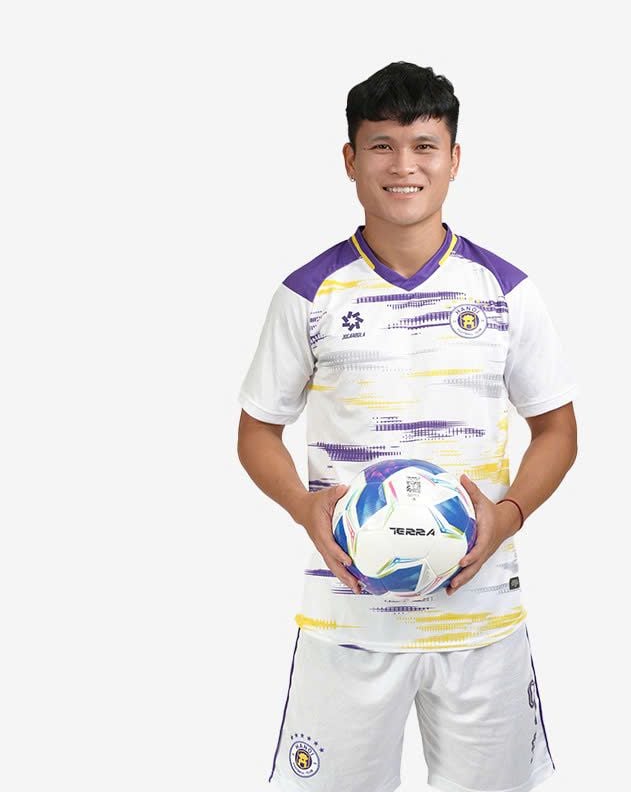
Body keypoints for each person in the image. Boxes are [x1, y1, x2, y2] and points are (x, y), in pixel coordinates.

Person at [237, 60, 579, 792]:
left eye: (424, 145)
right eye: (382, 146)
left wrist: (510, 514)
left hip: (480, 619)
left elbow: (557, 429)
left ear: (454, 158)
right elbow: (256, 431)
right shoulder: (308, 294)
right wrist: (302, 507)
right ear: (350, 159)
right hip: (349, 623)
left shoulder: (505, 290)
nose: (403, 166)